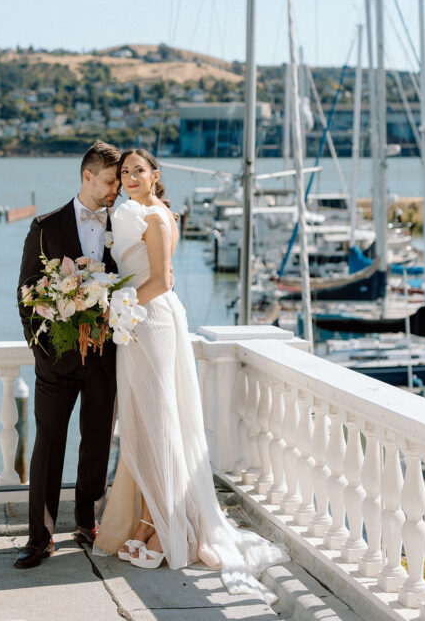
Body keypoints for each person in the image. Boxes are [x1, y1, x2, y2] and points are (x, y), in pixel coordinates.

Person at [94, 149, 285, 603]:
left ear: (155, 175)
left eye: (139, 170)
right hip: (134, 324)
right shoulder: (137, 213)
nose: (131, 177)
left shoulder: (158, 218)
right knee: (142, 423)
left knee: (160, 422)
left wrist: (118, 309)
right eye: (124, 172)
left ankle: (167, 528)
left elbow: (162, 279)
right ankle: (145, 518)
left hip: (151, 320)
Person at [14, 140, 121, 569]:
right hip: (56, 362)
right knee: (48, 446)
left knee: (97, 443)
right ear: (88, 176)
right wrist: (42, 352)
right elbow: (26, 294)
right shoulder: (46, 226)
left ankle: (85, 522)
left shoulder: (126, 224)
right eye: (111, 181)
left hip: (105, 357)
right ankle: (39, 537)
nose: (118, 188)